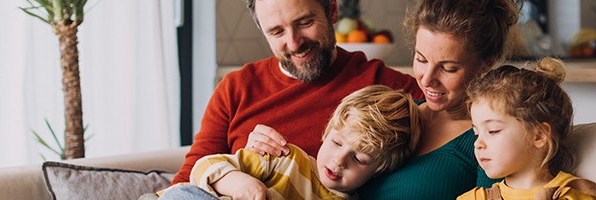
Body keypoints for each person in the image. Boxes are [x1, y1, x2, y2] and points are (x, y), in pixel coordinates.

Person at [247, 0, 521, 199]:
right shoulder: (392, 115)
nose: (426, 79)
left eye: (448, 68)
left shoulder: (489, 142)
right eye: (420, 59)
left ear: (487, 63)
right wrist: (257, 160)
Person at [170, 0, 423, 186]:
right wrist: (242, 161)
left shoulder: (389, 90)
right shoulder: (236, 88)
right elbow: (187, 181)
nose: (294, 43)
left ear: (332, 10)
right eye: (277, 32)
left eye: (304, 23)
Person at [159, 85, 421, 199]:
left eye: (359, 159)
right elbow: (203, 168)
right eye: (337, 143)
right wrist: (242, 183)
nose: (338, 161)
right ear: (326, 133)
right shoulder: (285, 159)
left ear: (379, 171)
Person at [458, 58, 596, 200]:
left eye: (493, 131)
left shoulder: (573, 195)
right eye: (476, 134)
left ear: (539, 136)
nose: (478, 144)